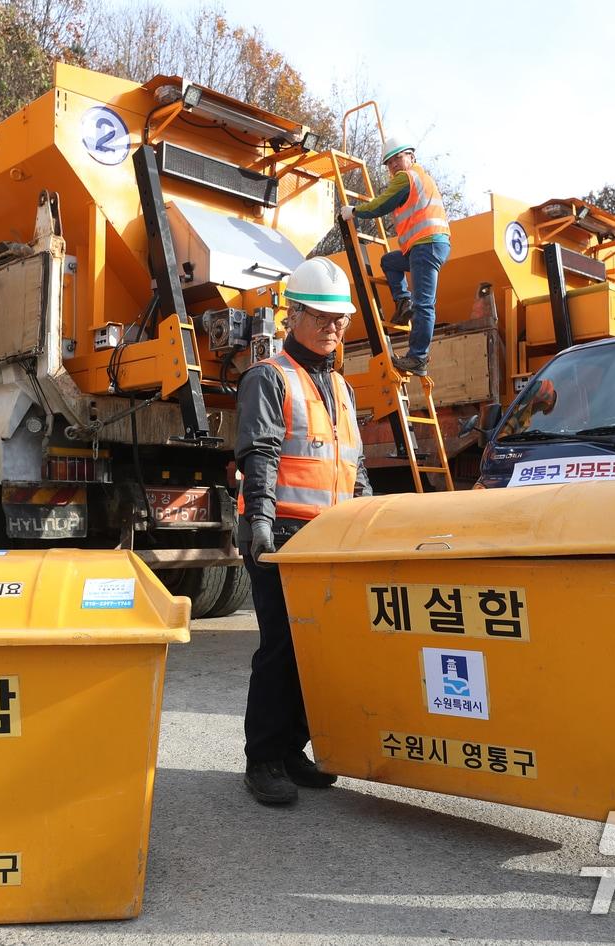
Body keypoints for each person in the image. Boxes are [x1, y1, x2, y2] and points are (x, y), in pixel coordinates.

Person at [236, 257, 373, 805]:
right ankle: (263, 759)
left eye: (340, 318)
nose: (333, 327)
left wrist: (370, 518)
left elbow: (354, 463)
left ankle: (292, 749)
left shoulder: (340, 386)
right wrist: (262, 519)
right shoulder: (269, 376)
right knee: (280, 648)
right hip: (282, 536)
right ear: (293, 315)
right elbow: (260, 452)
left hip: (330, 537)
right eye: (321, 316)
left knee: (314, 649)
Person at [338, 135, 450, 377]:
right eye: (389, 163)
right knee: (389, 262)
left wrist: (354, 211)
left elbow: (380, 205)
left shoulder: (406, 178)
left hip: (426, 245)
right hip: (424, 246)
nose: (394, 165)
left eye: (398, 158)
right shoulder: (422, 178)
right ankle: (402, 301)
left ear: (411, 156)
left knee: (424, 304)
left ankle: (418, 358)